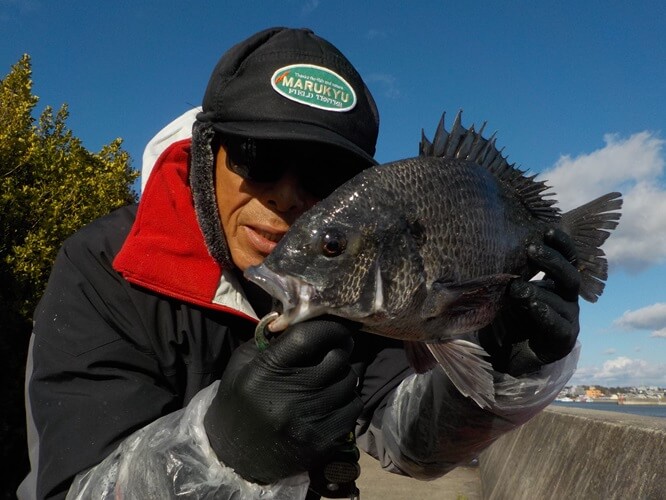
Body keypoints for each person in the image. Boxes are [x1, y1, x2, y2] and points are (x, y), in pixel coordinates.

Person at [20, 27, 581, 499]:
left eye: (323, 174)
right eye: (258, 155)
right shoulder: (105, 270)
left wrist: (513, 368)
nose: (287, 195)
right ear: (206, 151)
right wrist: (222, 448)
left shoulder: (362, 286)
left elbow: (409, 444)